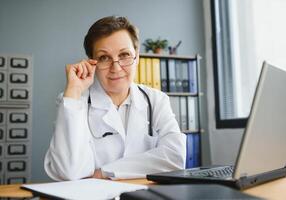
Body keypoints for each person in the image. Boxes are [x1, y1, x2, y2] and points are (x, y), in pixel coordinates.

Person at [44, 16, 186, 181]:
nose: (116, 68)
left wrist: (104, 172)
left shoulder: (156, 100)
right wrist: (73, 91)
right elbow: (68, 171)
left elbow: (175, 157)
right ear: (92, 62)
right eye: (104, 57)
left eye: (124, 54)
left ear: (137, 57)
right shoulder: (74, 102)